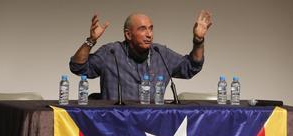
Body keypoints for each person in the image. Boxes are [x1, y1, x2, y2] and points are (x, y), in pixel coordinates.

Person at [70, 11, 212, 100]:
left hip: (152, 128)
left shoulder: (161, 53)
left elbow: (191, 67)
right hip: (115, 126)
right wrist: (91, 40)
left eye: (150, 29)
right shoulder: (111, 52)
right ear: (128, 34)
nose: (149, 34)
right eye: (142, 29)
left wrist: (198, 40)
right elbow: (78, 67)